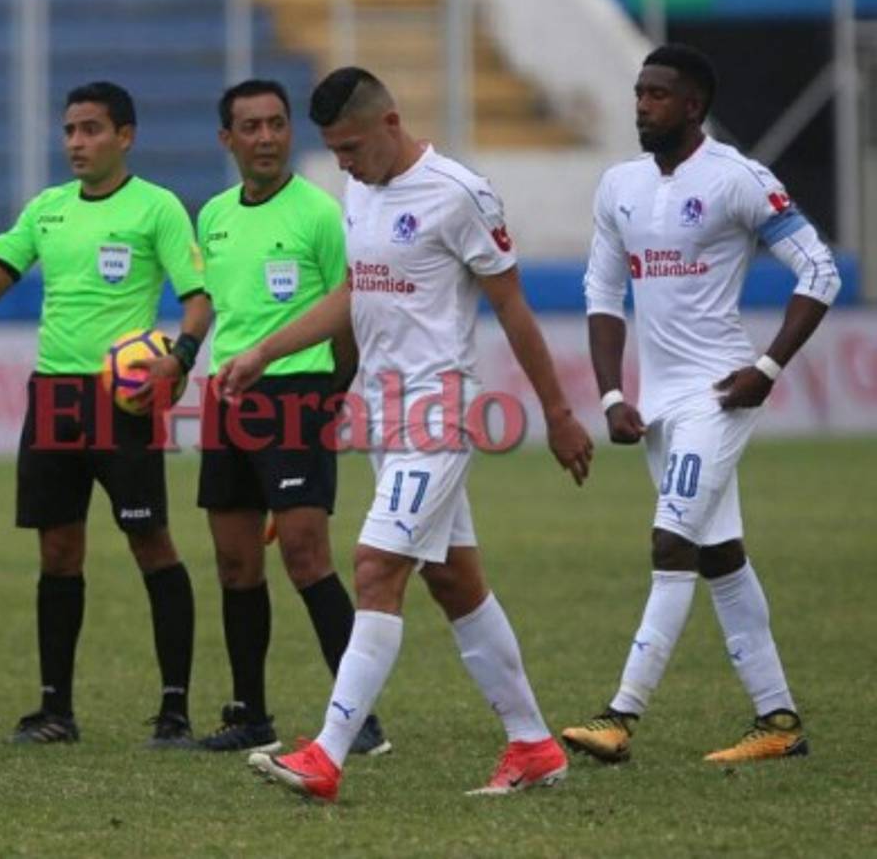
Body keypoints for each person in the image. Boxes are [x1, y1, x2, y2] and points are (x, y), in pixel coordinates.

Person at [221, 67, 593, 801]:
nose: (344, 165)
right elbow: (357, 295)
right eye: (334, 152)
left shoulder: (459, 194)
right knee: (454, 582)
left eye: (353, 147)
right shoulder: (360, 189)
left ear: (391, 123)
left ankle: (326, 755)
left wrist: (555, 412)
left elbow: (513, 308)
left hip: (438, 413)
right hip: (383, 418)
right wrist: (267, 351)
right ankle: (533, 746)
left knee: (372, 566)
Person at [563, 44, 839, 764]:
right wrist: (614, 392)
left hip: (719, 394)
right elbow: (600, 293)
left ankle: (619, 715)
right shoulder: (618, 184)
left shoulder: (737, 179)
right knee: (718, 555)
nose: (641, 106)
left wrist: (767, 367)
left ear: (692, 106)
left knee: (669, 542)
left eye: (657, 95)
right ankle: (777, 723)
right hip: (657, 401)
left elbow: (819, 270)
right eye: (637, 92)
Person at [0, 82, 211, 747]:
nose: (77, 143)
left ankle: (174, 711)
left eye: (91, 130)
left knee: (151, 544)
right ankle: (55, 710)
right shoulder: (46, 210)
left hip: (123, 399)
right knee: (57, 551)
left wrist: (179, 358)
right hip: (54, 396)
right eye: (70, 131)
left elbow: (198, 299)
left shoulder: (157, 208)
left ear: (125, 136)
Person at [194, 79, 388, 756]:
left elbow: (351, 316)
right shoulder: (212, 215)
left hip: (298, 397)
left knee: (306, 557)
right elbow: (227, 312)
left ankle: (359, 719)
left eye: (276, 124)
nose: (267, 138)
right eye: (251, 127)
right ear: (228, 139)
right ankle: (249, 715)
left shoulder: (319, 214)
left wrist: (325, 404)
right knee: (234, 564)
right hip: (227, 400)